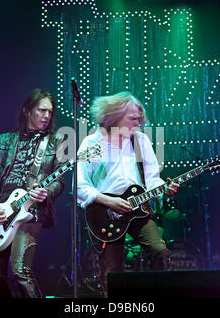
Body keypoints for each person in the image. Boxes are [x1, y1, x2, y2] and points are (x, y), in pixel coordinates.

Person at [77, 91, 179, 293]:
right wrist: (108, 201)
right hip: (106, 214)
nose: (137, 124)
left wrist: (163, 190)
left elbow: (151, 179)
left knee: (159, 251)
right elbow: (80, 185)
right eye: (132, 118)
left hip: (138, 209)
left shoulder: (140, 141)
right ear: (115, 116)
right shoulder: (91, 143)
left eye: (139, 120)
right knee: (112, 269)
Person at [0, 88, 65, 298]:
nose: (47, 116)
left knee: (20, 271)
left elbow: (60, 181)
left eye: (50, 112)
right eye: (42, 110)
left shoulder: (55, 141)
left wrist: (47, 193)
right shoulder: (4, 140)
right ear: (28, 110)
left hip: (30, 211)